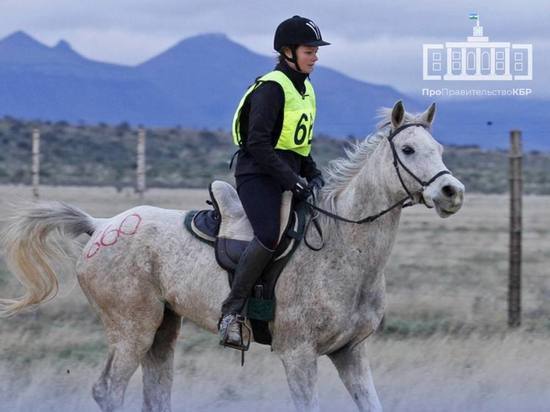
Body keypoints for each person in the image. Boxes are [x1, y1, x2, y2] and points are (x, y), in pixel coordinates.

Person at [218, 15, 330, 349]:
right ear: (288, 52)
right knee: (269, 235)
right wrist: (291, 180)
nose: (315, 56)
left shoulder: (306, 89)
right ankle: (232, 312)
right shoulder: (271, 87)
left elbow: (298, 146)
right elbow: (258, 144)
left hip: (288, 174)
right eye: (309, 50)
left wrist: (313, 174)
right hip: (257, 174)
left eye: (315, 50)